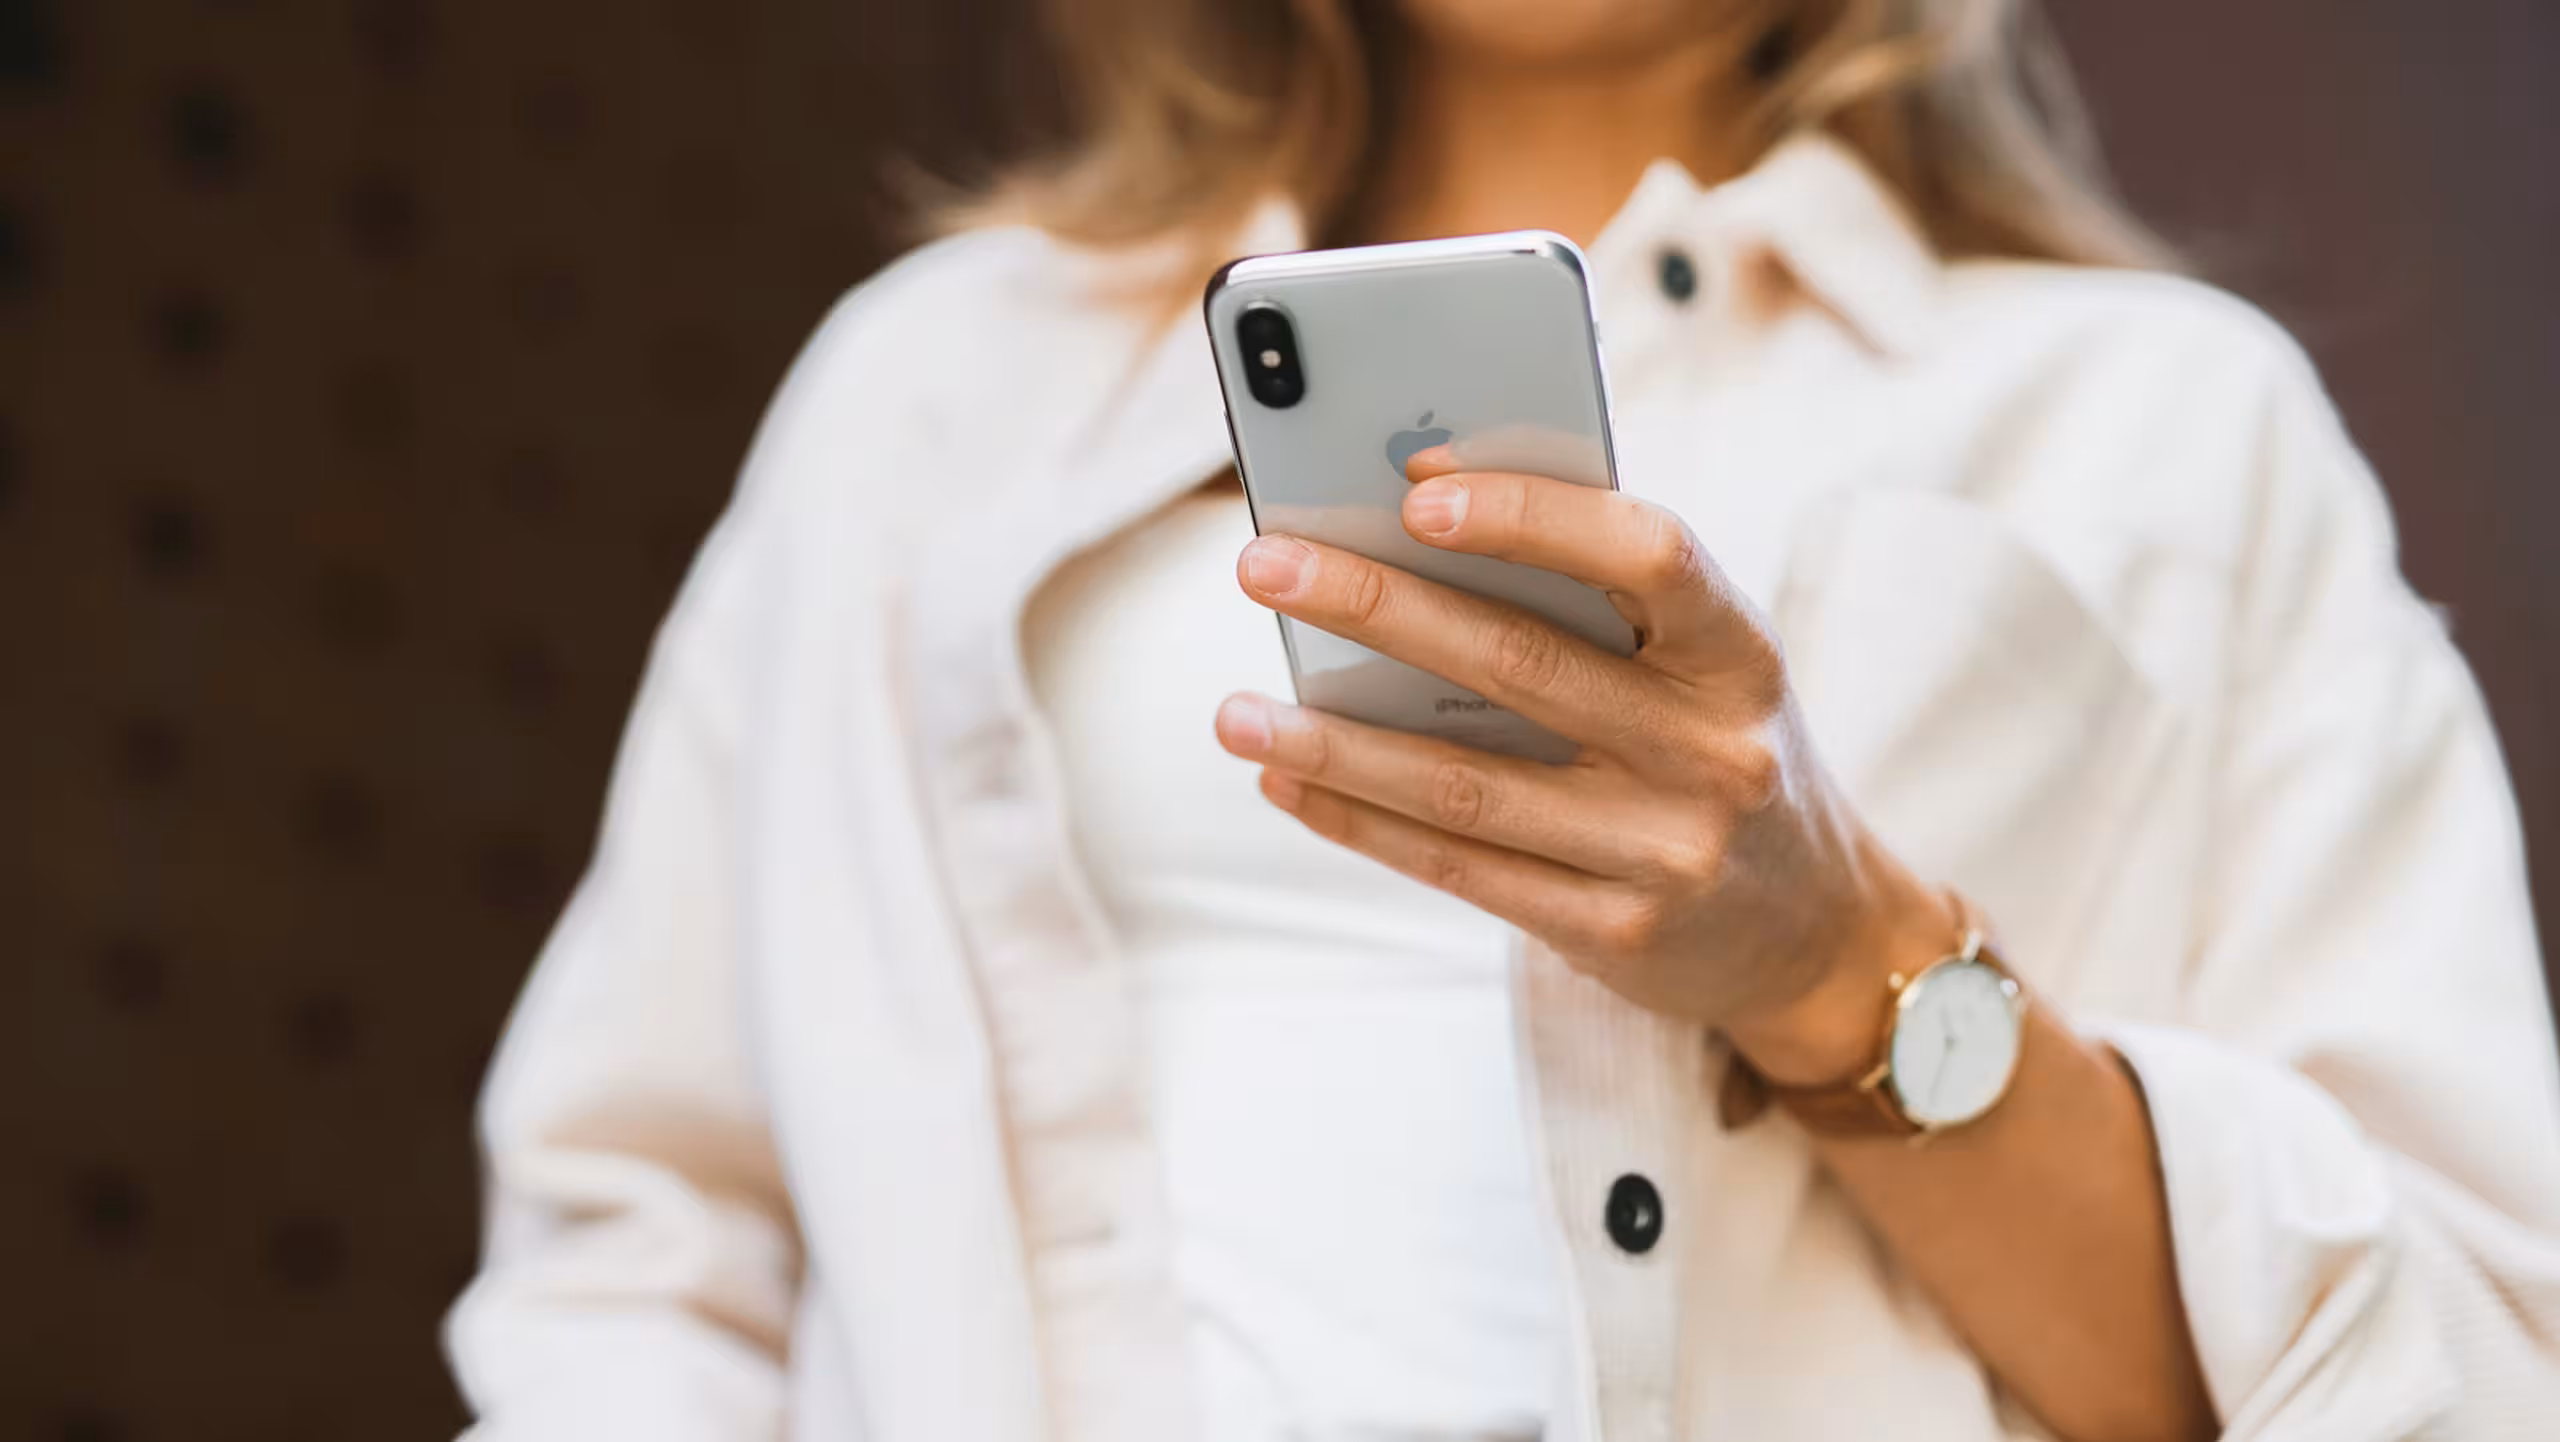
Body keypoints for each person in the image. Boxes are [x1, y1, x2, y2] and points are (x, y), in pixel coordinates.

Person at [444, 1, 2560, 1439]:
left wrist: (1834, 964)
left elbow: (2450, 1369)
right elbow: (642, 1236)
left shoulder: (2163, 426)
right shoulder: (925, 394)